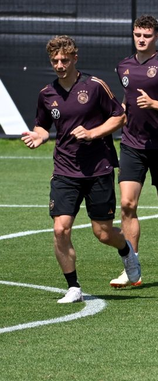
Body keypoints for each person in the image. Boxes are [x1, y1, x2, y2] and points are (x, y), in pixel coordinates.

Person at [22, 35, 139, 303]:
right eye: (55, 61)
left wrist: (93, 133)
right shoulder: (46, 94)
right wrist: (39, 135)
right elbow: (42, 125)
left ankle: (126, 250)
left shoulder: (95, 86)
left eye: (64, 59)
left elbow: (120, 116)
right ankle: (73, 286)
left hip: (98, 168)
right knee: (60, 229)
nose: (60, 65)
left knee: (102, 232)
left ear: (75, 58)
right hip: (64, 169)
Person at [112, 15, 158, 288]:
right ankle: (131, 266)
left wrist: (155, 104)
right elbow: (125, 104)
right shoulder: (123, 66)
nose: (141, 39)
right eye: (137, 34)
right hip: (132, 145)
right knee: (127, 205)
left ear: (156, 36)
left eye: (146, 35)